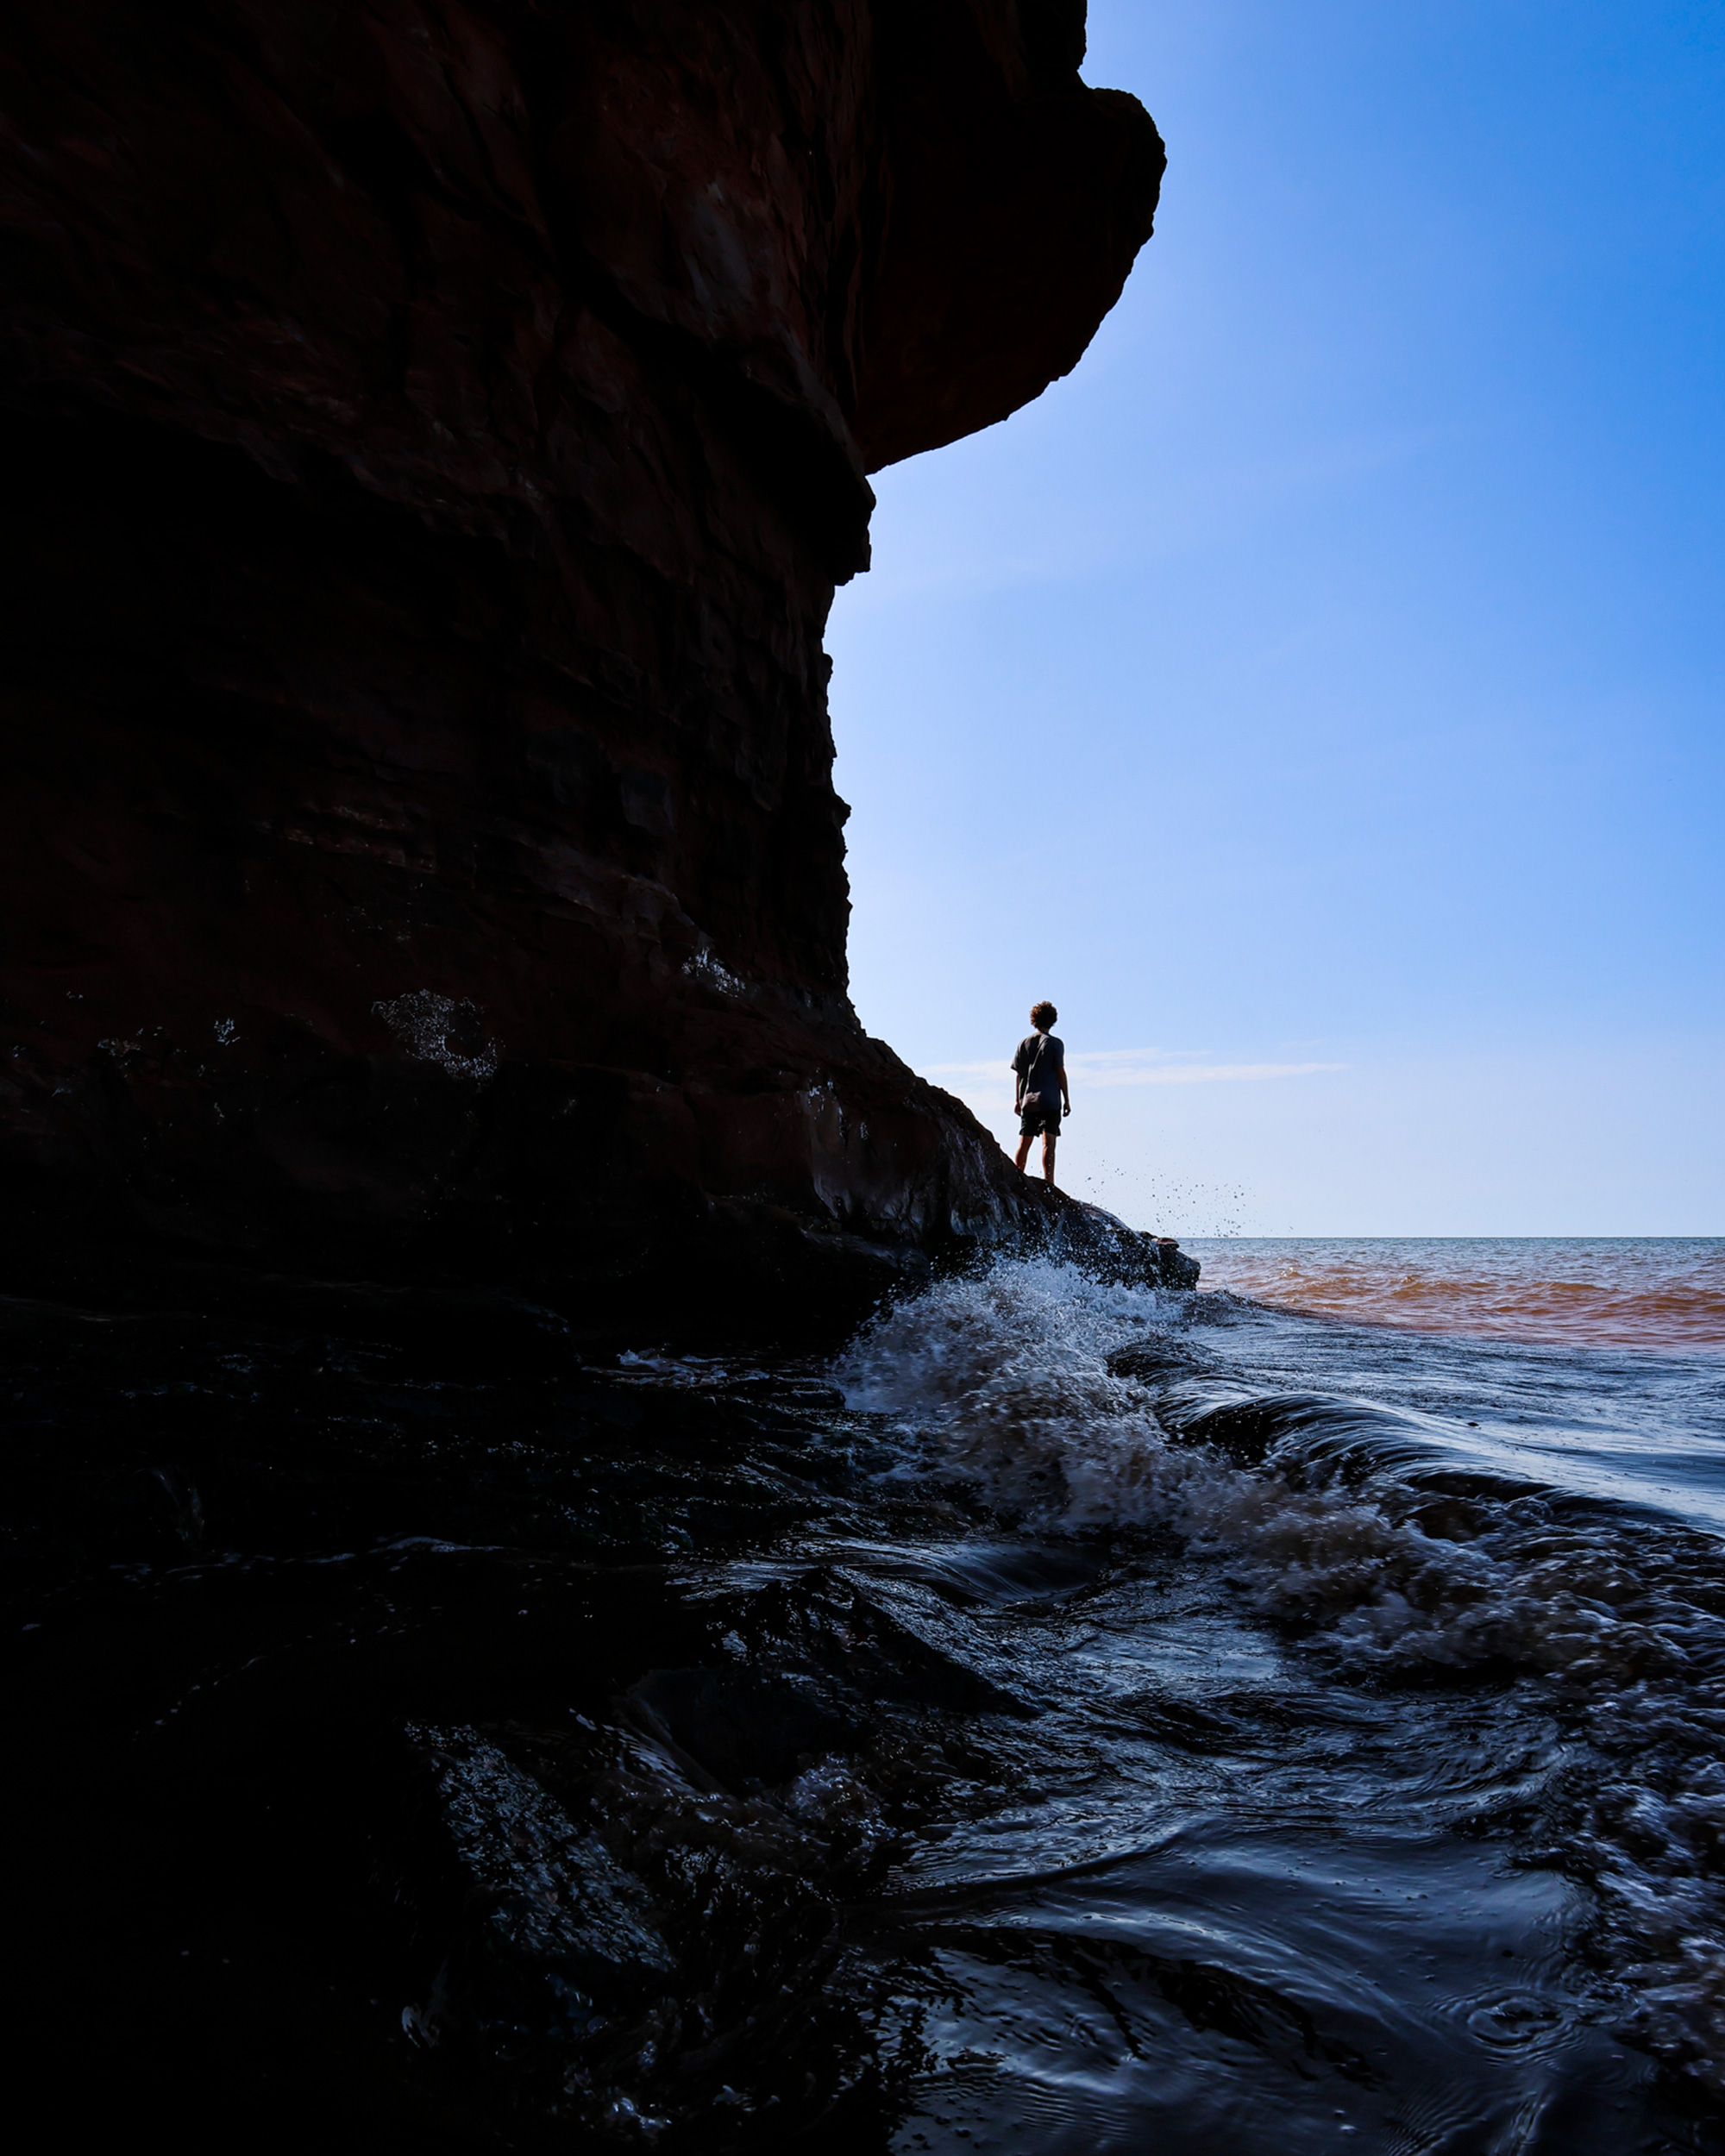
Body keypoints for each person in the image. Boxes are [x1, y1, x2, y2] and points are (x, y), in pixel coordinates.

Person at [1012, 1000, 1070, 1185]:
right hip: (1049, 1100)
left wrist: (1018, 1100)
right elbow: (1060, 1072)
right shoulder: (1055, 1044)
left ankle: (1017, 1177)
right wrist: (1067, 1100)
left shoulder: (1024, 1044)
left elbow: (1019, 1075)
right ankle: (1049, 1183)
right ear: (1053, 1020)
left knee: (1025, 1141)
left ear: (1034, 1020)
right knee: (1048, 1142)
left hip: (1029, 1101)